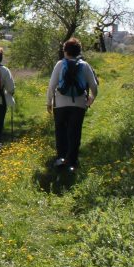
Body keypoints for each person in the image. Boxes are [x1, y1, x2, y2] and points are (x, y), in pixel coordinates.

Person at [46, 38, 98, 172]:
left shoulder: (59, 64)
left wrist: (49, 103)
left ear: (65, 51)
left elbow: (51, 86)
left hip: (60, 104)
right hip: (79, 104)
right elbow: (93, 85)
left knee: (61, 131)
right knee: (75, 132)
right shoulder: (85, 65)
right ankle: (72, 163)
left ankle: (61, 159)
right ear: (78, 51)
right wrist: (91, 98)